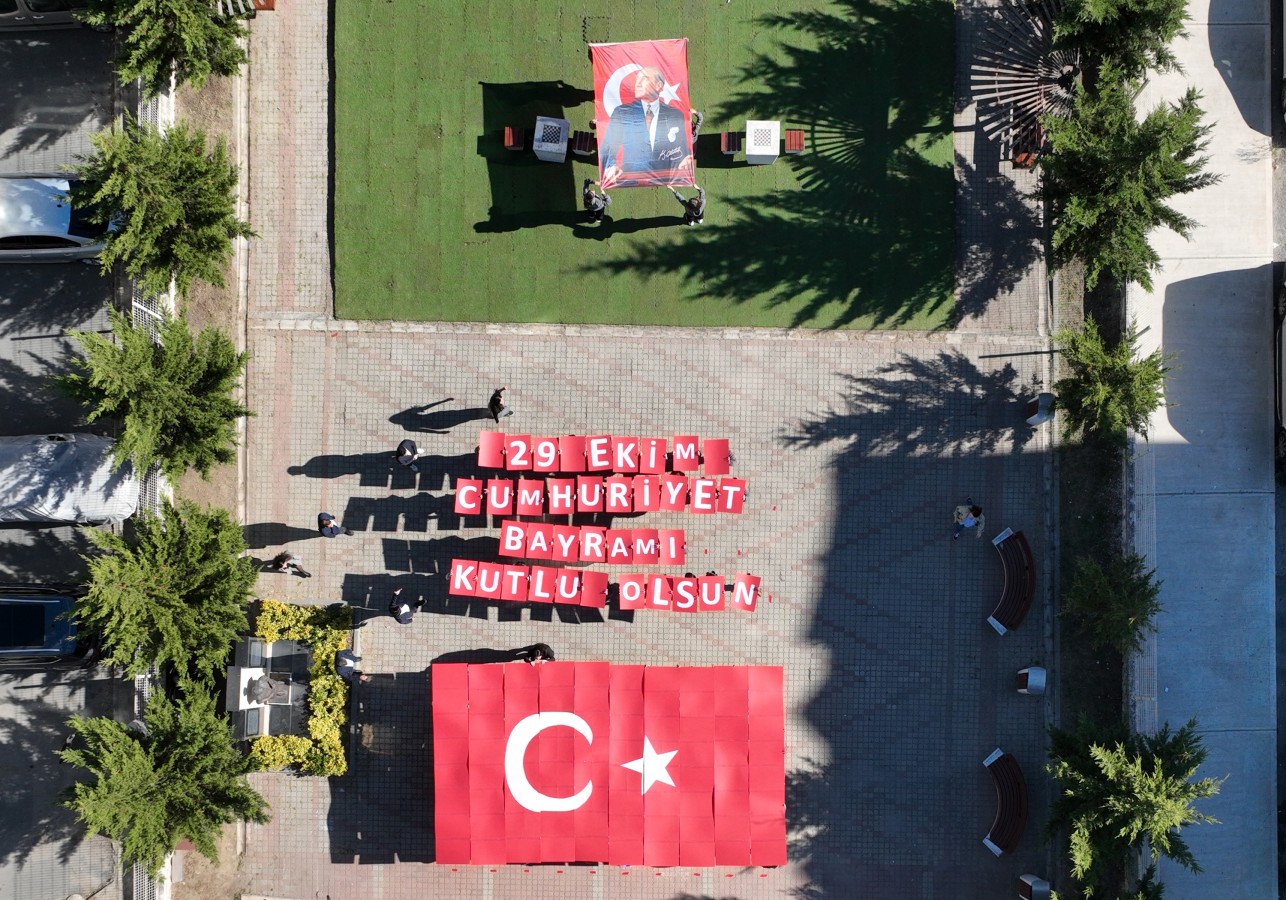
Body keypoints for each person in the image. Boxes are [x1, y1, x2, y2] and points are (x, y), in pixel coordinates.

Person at [599, 65, 692, 188]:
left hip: (663, 179)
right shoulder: (622, 112)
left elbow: (682, 150)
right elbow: (608, 146)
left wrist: (685, 160)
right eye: (637, 79)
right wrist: (610, 165)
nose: (637, 83)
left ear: (658, 85)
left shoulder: (675, 115)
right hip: (629, 179)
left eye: (644, 79)